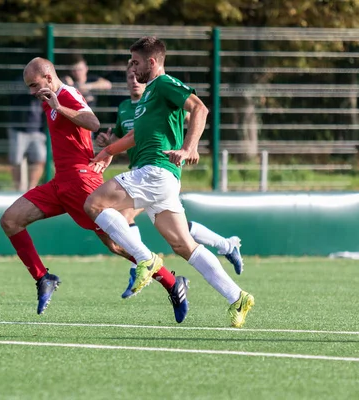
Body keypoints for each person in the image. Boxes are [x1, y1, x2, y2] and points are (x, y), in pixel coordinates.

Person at [0, 57, 189, 320]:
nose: (32, 92)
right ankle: (44, 278)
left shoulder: (66, 94)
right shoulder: (48, 99)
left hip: (81, 182)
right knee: (10, 220)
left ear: (48, 77)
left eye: (34, 85)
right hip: (59, 183)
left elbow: (92, 122)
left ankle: (172, 282)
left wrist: (60, 107)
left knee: (116, 244)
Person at [84, 37, 254, 328]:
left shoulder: (163, 84)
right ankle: (237, 297)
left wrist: (190, 147)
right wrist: (109, 150)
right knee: (184, 245)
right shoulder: (147, 96)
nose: (132, 68)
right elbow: (137, 136)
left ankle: (144, 258)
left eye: (136, 62)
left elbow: (200, 108)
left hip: (155, 171)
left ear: (152, 62)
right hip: (158, 179)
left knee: (94, 204)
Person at [7, 80, 47, 191]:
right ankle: (17, 189)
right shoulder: (19, 81)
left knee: (39, 159)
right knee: (16, 161)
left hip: (38, 129)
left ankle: (31, 189)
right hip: (18, 128)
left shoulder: (45, 82)